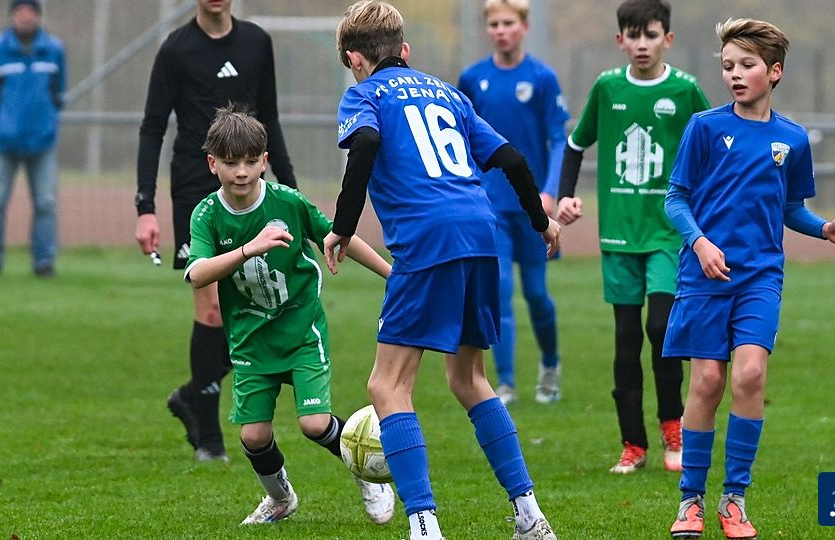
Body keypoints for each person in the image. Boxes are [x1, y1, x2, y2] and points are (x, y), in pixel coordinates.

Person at [324, 2, 560, 539]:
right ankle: (529, 515)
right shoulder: (448, 93)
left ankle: (423, 523)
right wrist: (540, 221)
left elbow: (365, 142)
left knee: (387, 386)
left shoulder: (364, 94)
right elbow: (512, 159)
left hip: (428, 240)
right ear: (405, 50)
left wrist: (342, 227)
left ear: (353, 58)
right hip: (481, 232)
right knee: (470, 379)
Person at [664, 18, 835, 540]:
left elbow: (791, 208)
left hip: (760, 278)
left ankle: (734, 500)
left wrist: (824, 228)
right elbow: (676, 198)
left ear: (774, 72)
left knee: (749, 376)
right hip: (704, 275)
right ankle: (690, 501)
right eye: (728, 65)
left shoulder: (792, 138)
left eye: (746, 65)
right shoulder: (704, 127)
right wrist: (700, 243)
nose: (734, 74)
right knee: (707, 382)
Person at [184, 105, 395, 526]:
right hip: (250, 340)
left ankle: (367, 473)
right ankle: (280, 499)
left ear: (264, 161)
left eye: (250, 162)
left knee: (314, 423)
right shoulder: (207, 215)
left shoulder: (287, 202)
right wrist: (249, 248)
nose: (241, 172)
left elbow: (338, 235)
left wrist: (392, 275)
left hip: (301, 330)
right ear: (212, 164)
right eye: (230, 163)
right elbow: (197, 273)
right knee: (253, 435)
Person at [134, 0, 298, 461]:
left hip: (252, 192)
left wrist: (291, 189)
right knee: (210, 310)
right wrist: (145, 207)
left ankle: (192, 393)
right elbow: (152, 128)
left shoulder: (256, 42)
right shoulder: (175, 49)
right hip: (194, 188)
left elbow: (270, 119)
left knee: (259, 306)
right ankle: (209, 437)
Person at [555, 0, 709, 474]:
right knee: (626, 339)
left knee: (661, 328)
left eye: (652, 35)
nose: (643, 44)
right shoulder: (608, 87)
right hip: (619, 236)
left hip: (667, 233)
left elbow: (712, 146)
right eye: (634, 35)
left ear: (668, 39)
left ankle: (673, 427)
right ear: (620, 40)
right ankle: (633, 444)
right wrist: (565, 197)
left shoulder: (685, 90)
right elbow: (575, 145)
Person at [457, 0, 569, 405]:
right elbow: (460, 137)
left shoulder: (542, 78)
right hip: (489, 206)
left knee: (536, 294)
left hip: (532, 206)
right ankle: (505, 383)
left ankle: (550, 366)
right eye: (494, 24)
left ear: (524, 26)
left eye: (508, 23)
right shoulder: (473, 78)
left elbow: (559, 140)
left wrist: (549, 191)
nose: (501, 30)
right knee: (499, 290)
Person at [0, 0, 66, 278]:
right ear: (13, 15)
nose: (25, 17)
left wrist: (44, 121)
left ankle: (44, 262)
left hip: (42, 142)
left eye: (30, 12)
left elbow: (59, 95)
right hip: (5, 143)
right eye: (20, 12)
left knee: (46, 202)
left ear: (37, 16)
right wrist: (3, 123)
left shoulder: (54, 50)